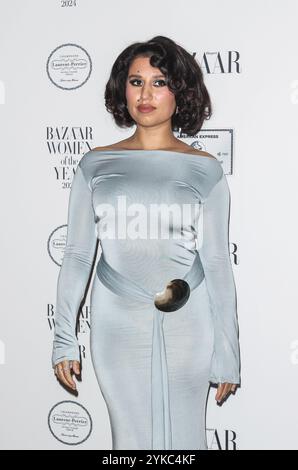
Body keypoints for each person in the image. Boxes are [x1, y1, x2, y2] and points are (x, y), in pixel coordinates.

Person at [51, 35, 241, 450]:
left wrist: (227, 349)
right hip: (115, 321)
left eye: (159, 82)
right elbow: (79, 254)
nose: (146, 94)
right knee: (130, 440)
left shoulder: (205, 170)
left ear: (180, 91)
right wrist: (64, 336)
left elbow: (217, 263)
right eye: (136, 82)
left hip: (189, 323)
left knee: (187, 440)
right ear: (123, 89)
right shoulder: (94, 164)